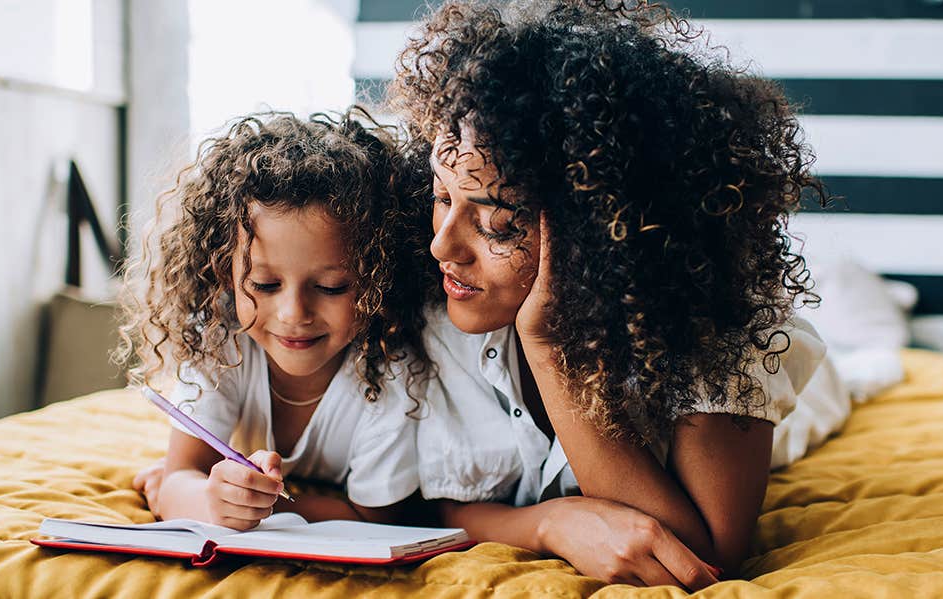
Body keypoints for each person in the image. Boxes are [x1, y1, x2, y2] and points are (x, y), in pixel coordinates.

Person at [388, 0, 839, 587]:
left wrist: (546, 344)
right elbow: (418, 503)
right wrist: (550, 523)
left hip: (800, 405)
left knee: (858, 377)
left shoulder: (728, 334)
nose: (442, 247)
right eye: (442, 196)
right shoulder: (430, 300)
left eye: (498, 223)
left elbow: (701, 556)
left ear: (598, 230)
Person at [118, 109, 434, 530]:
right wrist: (208, 500)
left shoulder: (394, 371)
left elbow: (378, 520)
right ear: (223, 274)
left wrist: (259, 505)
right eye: (265, 285)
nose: (294, 314)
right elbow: (179, 477)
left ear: (380, 277)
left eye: (331, 287)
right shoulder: (219, 339)